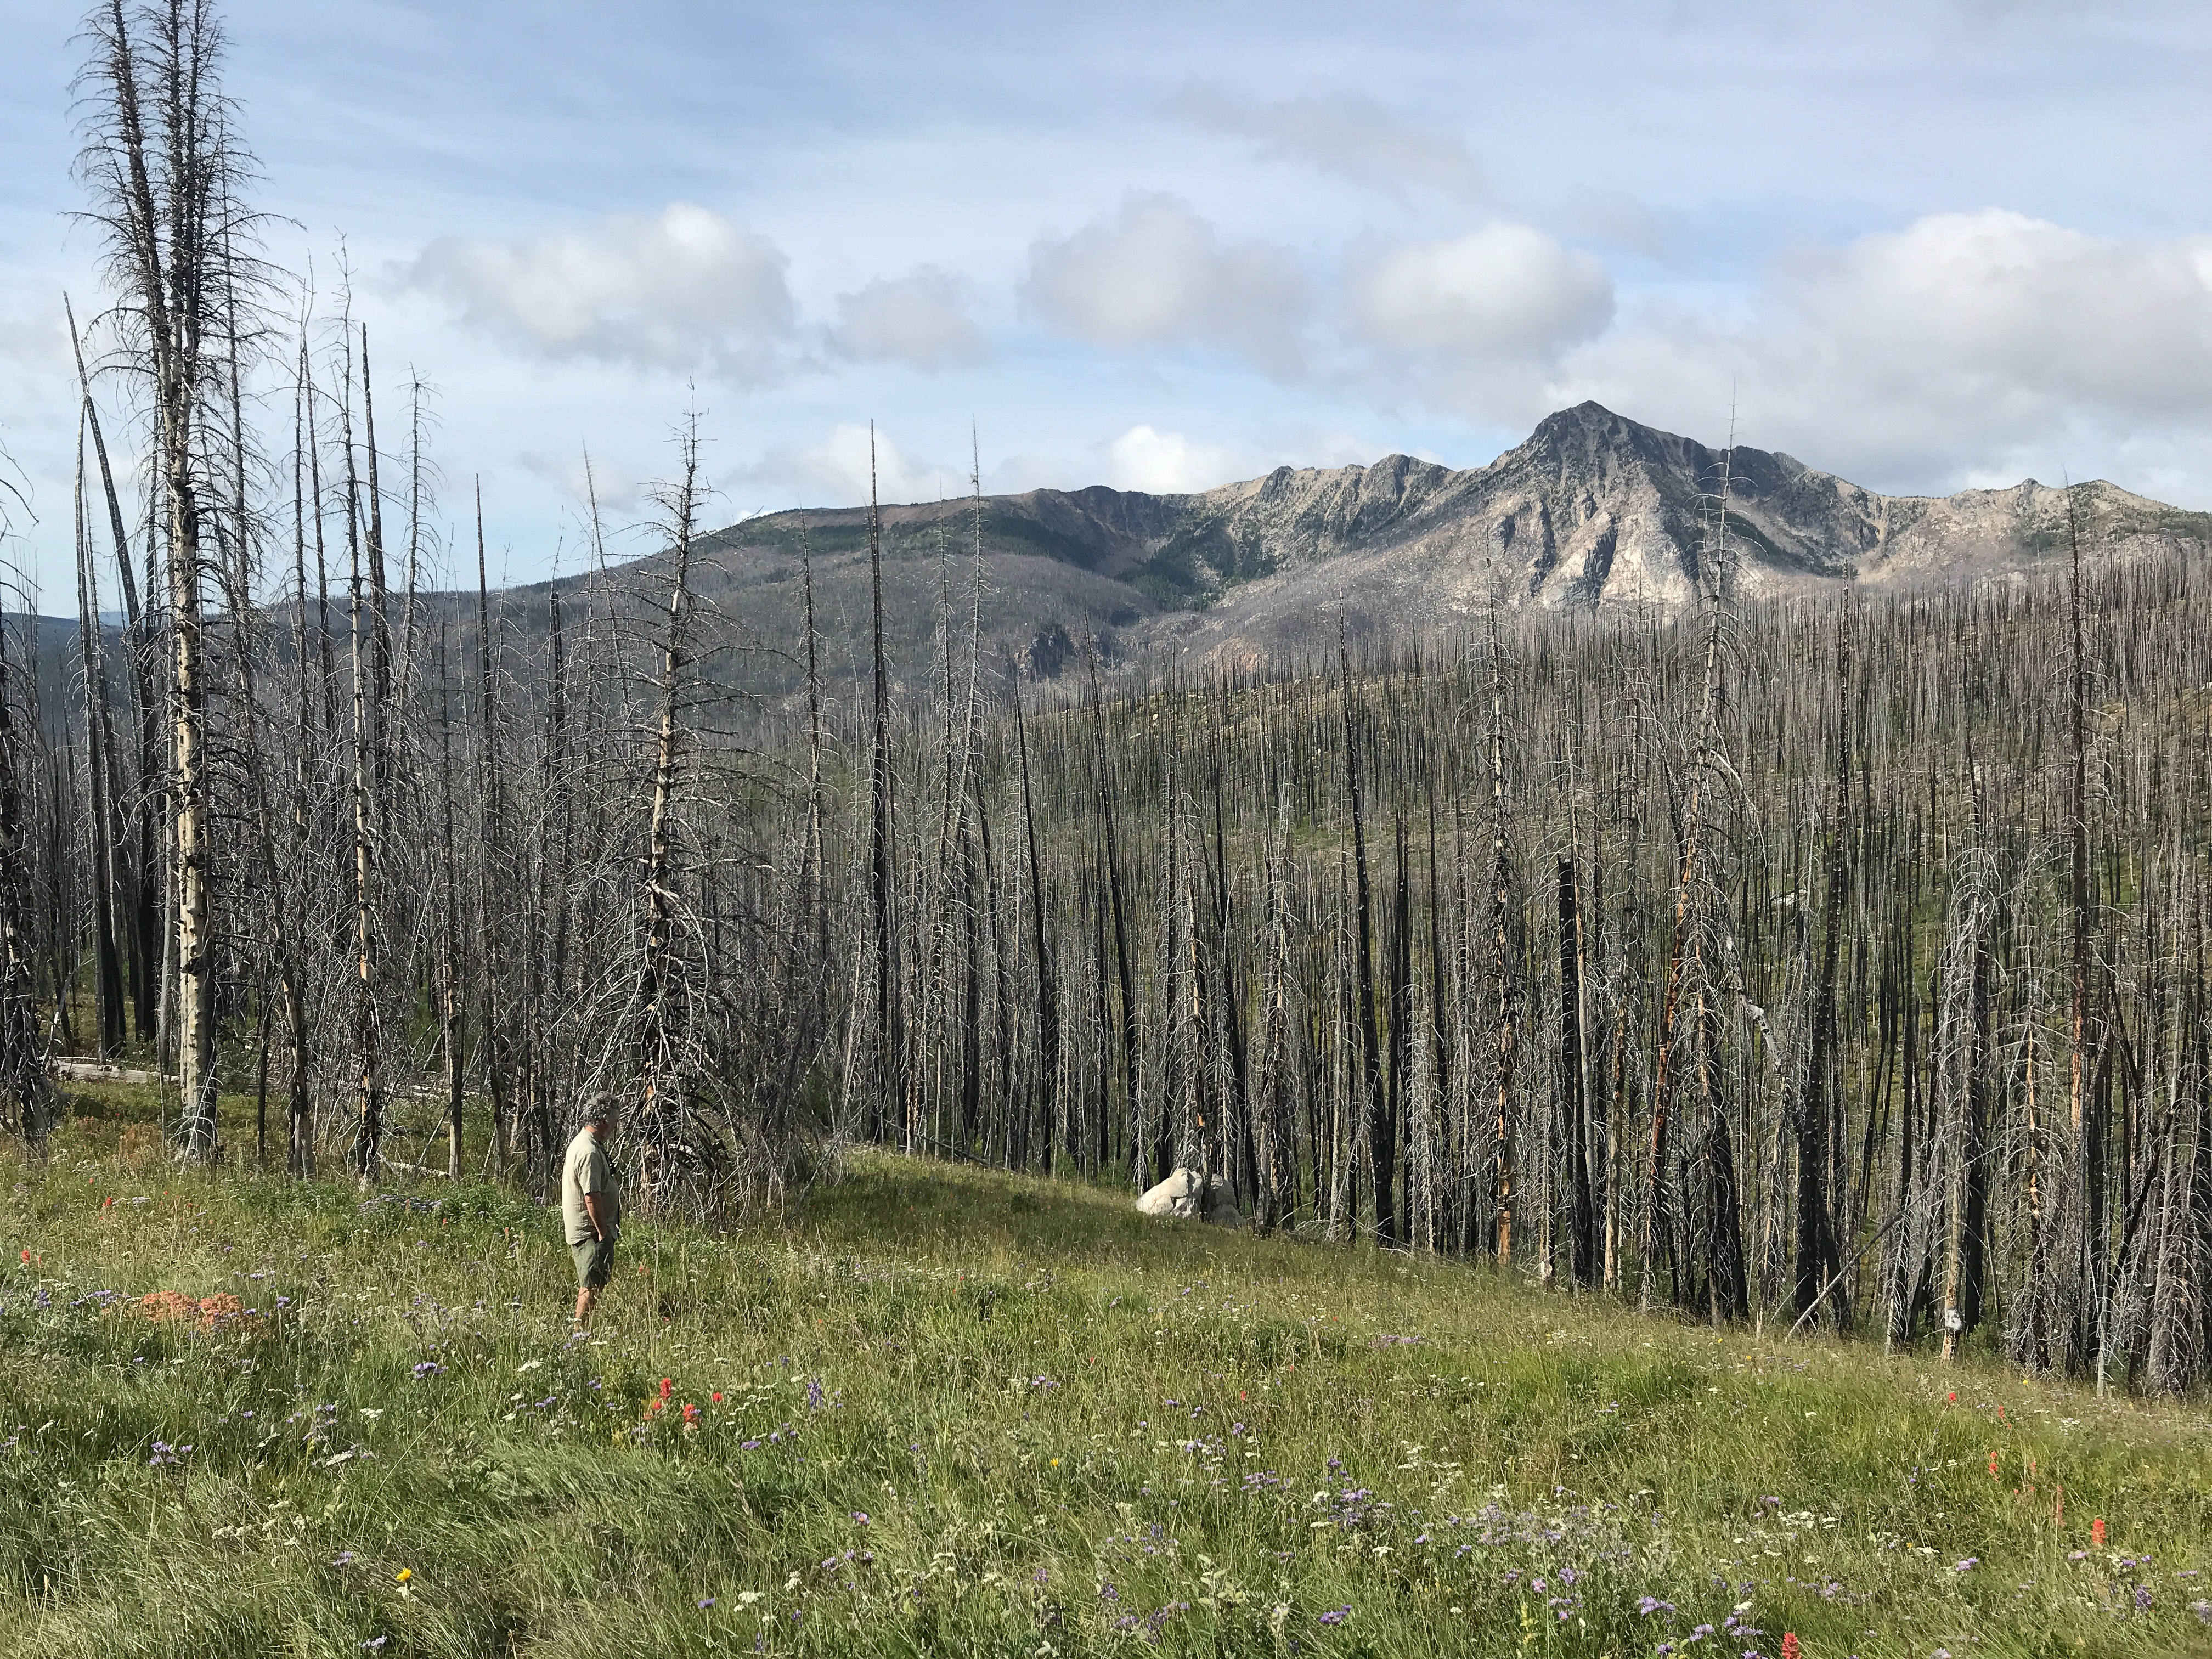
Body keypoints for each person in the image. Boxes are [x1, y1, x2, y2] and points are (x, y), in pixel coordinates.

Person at [561, 1096, 622, 1327]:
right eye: (614, 1122)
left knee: (593, 1282)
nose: (615, 1128)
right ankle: (579, 1331)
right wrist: (603, 1233)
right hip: (591, 1233)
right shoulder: (589, 1152)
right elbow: (592, 1197)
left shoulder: (587, 1144)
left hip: (592, 1232)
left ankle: (582, 1329)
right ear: (603, 1121)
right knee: (591, 1284)